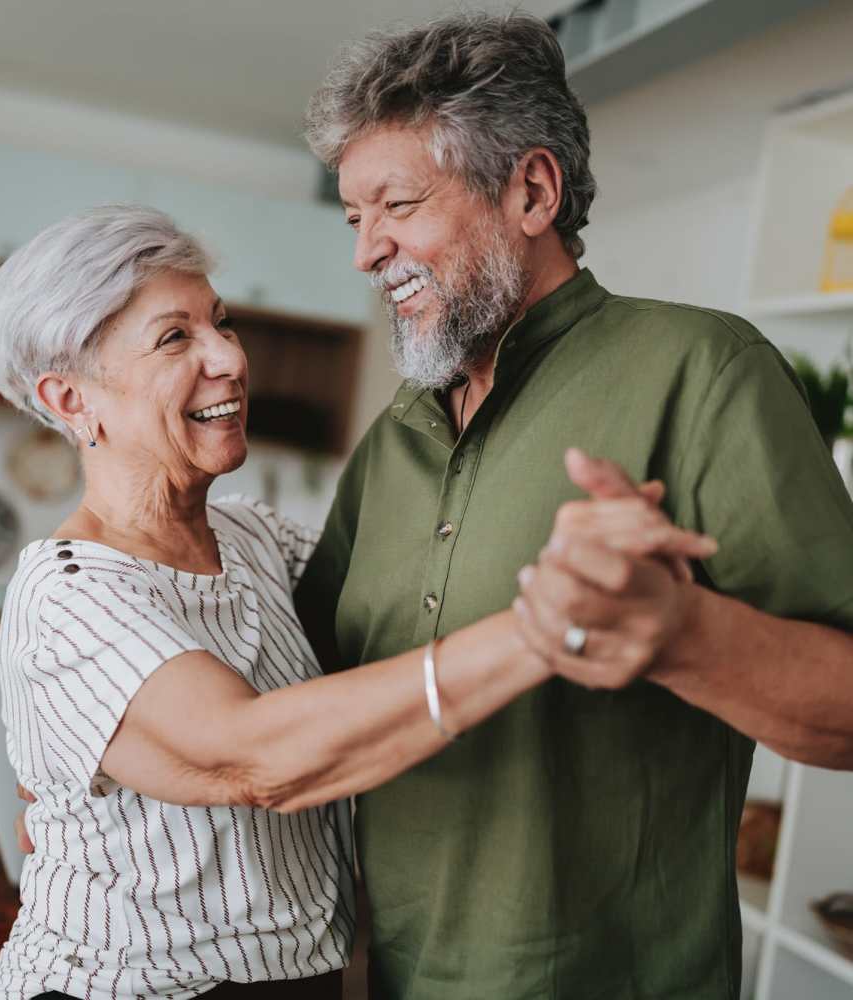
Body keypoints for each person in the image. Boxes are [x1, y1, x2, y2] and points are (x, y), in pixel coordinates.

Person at [0, 205, 709, 999]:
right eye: (174, 338)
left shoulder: (256, 540)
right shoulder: (67, 593)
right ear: (72, 398)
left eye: (221, 323)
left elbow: (414, 612)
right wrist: (541, 627)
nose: (229, 357)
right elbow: (253, 756)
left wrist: (595, 558)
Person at [298, 9, 853, 999]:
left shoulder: (703, 371)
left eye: (398, 206)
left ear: (532, 190)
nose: (366, 252)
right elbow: (308, 698)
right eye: (353, 218)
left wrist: (682, 631)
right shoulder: (395, 436)